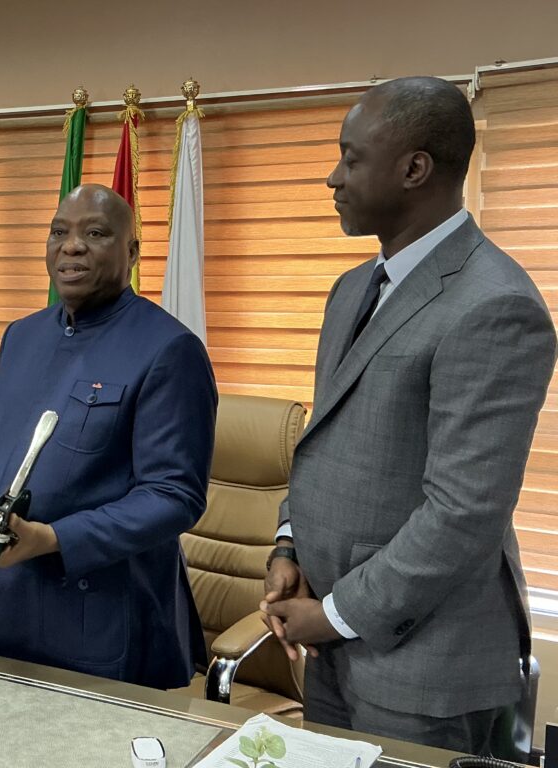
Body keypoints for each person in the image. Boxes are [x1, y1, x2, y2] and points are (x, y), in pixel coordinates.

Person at [260, 77, 557, 755]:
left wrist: (333, 615)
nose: (333, 177)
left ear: (414, 168)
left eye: (351, 158)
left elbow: (463, 513)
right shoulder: (351, 290)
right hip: (334, 646)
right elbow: (326, 443)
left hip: (424, 667)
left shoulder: (495, 304)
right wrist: (289, 546)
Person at [0, 184, 216, 689]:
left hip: (104, 619)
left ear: (132, 252)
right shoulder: (22, 337)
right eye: (58, 232)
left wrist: (53, 539)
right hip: (6, 613)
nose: (72, 246)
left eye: (96, 233)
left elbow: (174, 496)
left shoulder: (169, 349)